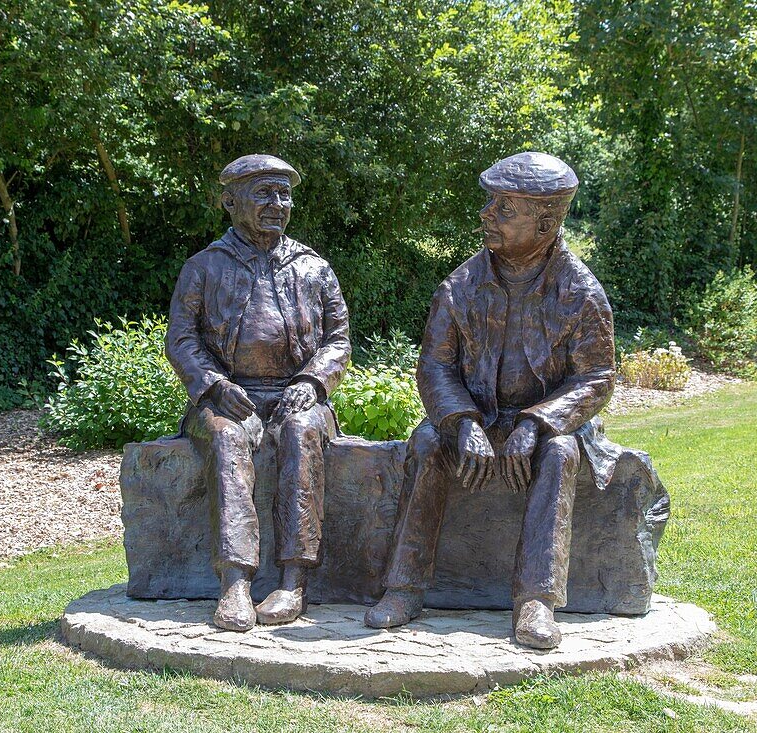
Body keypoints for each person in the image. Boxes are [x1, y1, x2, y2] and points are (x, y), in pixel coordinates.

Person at [363, 152, 617, 649]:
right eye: (490, 203)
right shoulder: (462, 285)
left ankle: (536, 602)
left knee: (561, 454)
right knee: (427, 442)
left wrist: (538, 423)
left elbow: (598, 376)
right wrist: (462, 422)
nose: (486, 214)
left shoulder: (580, 291)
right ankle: (404, 587)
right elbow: (435, 365)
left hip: (546, 428)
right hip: (472, 417)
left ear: (545, 222)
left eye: (504, 208)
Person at [165, 154, 351, 631]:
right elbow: (182, 339)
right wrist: (213, 385)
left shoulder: (313, 266)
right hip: (230, 398)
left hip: (298, 396)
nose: (278, 204)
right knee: (227, 440)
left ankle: (292, 583)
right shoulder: (204, 267)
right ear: (230, 201)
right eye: (264, 193)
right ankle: (234, 583)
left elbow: (338, 339)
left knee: (302, 434)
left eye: (284, 194)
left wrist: (312, 382)